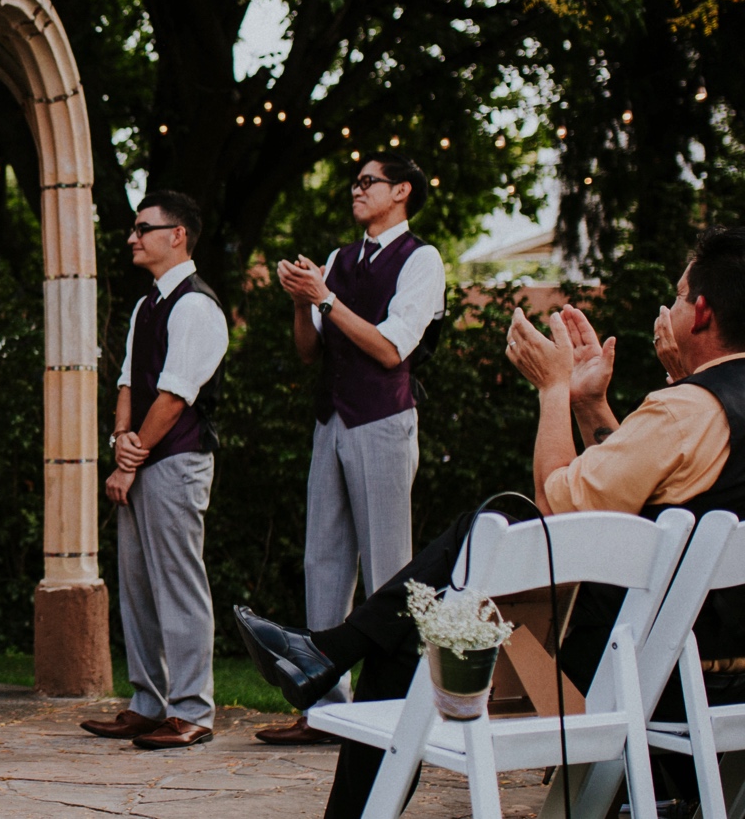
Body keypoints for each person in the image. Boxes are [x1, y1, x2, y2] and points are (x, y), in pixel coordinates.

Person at [235, 226, 745, 817]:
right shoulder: (700, 412)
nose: (671, 308)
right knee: (411, 625)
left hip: (629, 673)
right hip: (716, 671)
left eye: (679, 296)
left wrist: (553, 391)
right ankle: (328, 652)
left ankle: (331, 664)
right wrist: (588, 402)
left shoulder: (686, 408)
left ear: (701, 312)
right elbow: (636, 489)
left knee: (487, 539)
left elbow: (558, 508)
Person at [261, 151, 444, 743]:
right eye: (356, 180)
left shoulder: (423, 261)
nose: (356, 189)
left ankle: (389, 706)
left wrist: (326, 298)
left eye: (369, 182)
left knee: (390, 566)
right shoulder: (339, 258)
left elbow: (393, 349)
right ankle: (323, 708)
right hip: (331, 420)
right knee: (323, 562)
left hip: (384, 421)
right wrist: (301, 300)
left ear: (402, 192)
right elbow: (310, 350)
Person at [80, 190, 226, 750]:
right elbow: (126, 382)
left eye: (144, 227)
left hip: (178, 460)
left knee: (179, 585)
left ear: (178, 235)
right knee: (138, 586)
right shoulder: (147, 307)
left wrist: (131, 456)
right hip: (141, 457)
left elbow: (174, 396)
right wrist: (120, 441)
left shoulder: (196, 306)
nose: (132, 236)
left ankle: (192, 709)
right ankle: (148, 702)